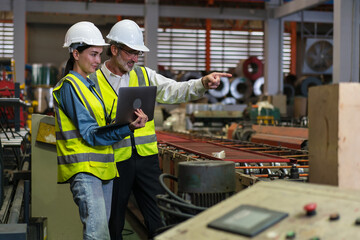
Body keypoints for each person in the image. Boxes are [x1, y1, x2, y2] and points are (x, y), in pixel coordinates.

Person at [88, 19, 232, 240]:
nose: (135, 59)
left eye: (138, 54)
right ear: (114, 49)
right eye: (130, 53)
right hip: (114, 162)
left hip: (146, 161)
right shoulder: (93, 81)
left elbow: (174, 90)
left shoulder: (144, 75)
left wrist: (202, 83)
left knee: (158, 220)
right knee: (113, 222)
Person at [52, 21, 148, 240]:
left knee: (101, 234)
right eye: (93, 54)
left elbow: (103, 125)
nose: (98, 61)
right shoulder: (69, 86)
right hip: (85, 171)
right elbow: (90, 133)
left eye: (99, 54)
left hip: (104, 169)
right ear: (75, 53)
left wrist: (127, 123)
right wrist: (127, 128)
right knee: (98, 235)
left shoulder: (89, 86)